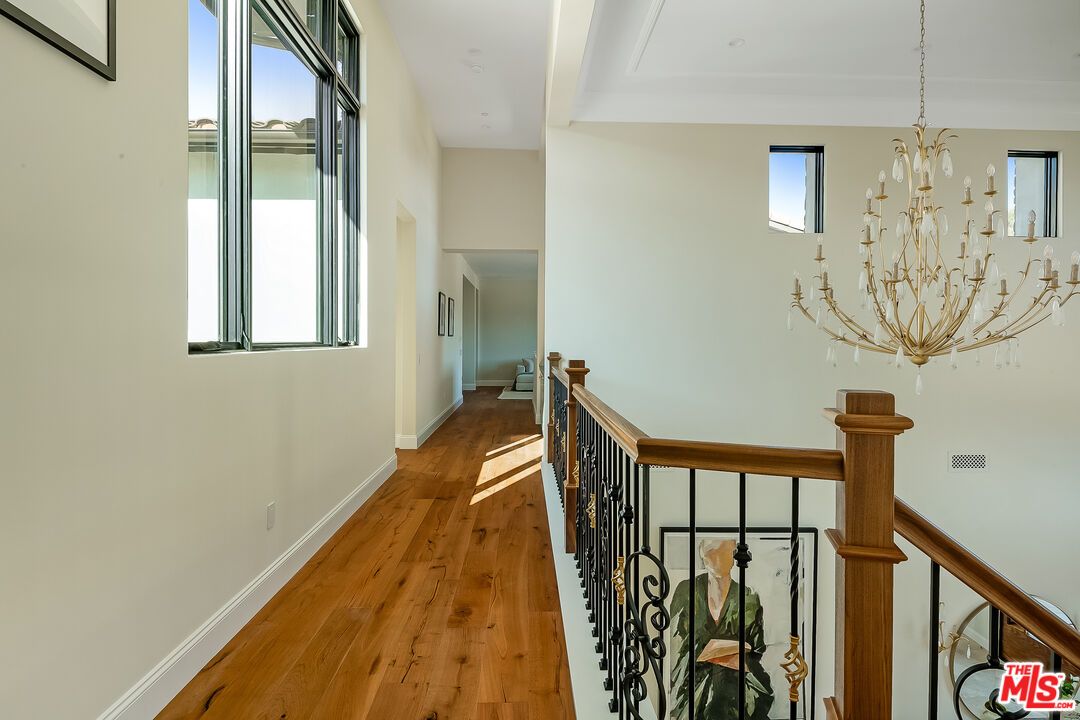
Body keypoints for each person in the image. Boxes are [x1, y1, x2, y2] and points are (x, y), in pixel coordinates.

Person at [670, 538, 774, 720]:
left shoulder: (749, 598)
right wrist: (735, 648)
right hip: (693, 684)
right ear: (703, 555)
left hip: (739, 686)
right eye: (711, 552)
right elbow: (680, 650)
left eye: (724, 552)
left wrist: (716, 650)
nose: (717, 559)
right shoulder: (686, 591)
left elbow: (755, 651)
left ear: (733, 555)